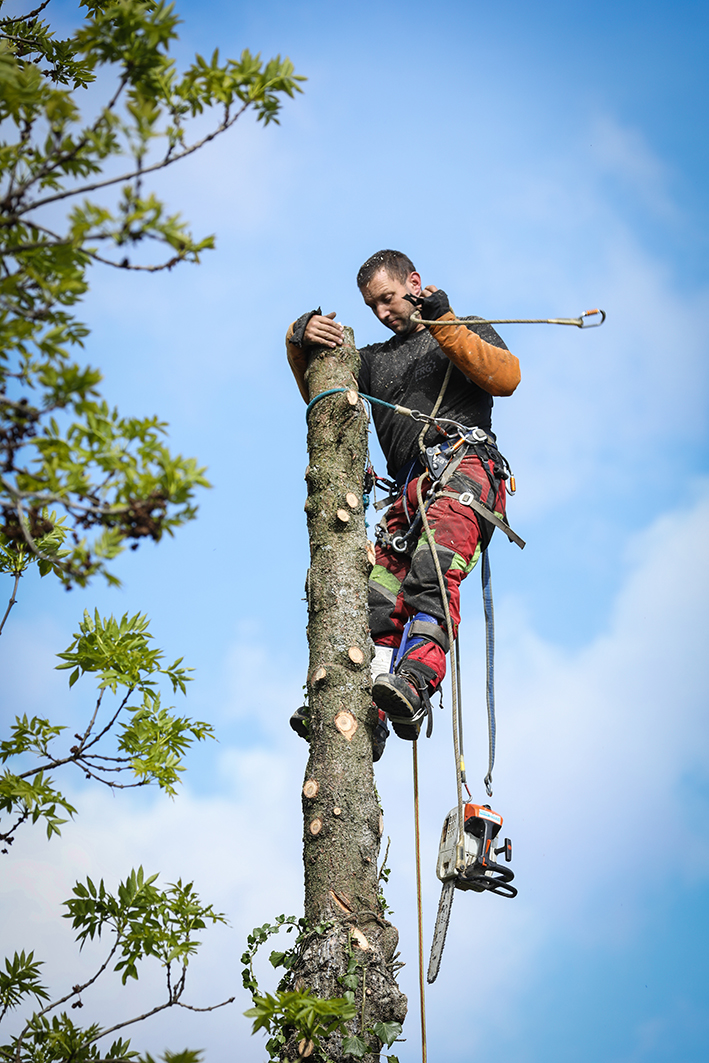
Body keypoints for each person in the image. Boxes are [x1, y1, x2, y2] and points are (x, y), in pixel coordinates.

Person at [286, 249, 520, 747]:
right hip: (407, 496)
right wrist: (298, 338)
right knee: (374, 601)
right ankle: (360, 713)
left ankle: (414, 681)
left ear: (414, 282)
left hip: (463, 470)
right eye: (372, 305)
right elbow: (320, 393)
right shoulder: (372, 360)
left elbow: (506, 378)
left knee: (432, 571)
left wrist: (445, 322)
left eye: (389, 299)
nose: (382, 312)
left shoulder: (462, 327)